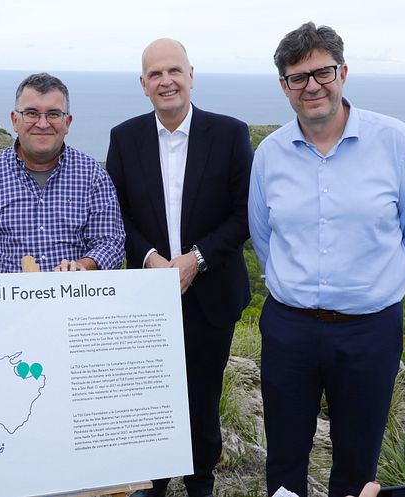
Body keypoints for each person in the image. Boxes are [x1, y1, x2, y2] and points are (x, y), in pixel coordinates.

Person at [248, 22, 405, 497]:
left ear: (343, 72)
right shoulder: (269, 154)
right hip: (289, 329)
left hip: (369, 328)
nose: (311, 85)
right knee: (285, 457)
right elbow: (263, 235)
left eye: (322, 72)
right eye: (298, 77)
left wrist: (378, 289)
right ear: (284, 86)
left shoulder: (395, 141)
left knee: (358, 460)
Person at [106, 39, 254, 497]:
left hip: (212, 292)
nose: (165, 80)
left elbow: (244, 213)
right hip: (148, 295)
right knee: (152, 394)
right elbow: (117, 212)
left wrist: (196, 260)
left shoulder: (229, 133)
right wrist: (150, 258)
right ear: (143, 84)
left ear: (191, 74)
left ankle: (200, 482)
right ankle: (154, 481)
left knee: (202, 396)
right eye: (155, 74)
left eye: (174, 71)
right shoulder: (124, 137)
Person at [0, 72, 124, 274]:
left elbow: (111, 244)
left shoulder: (93, 176)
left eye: (53, 114)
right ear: (14, 120)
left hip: (77, 302)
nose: (43, 124)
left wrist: (83, 264)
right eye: (31, 113)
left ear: (67, 123)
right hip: (9, 305)